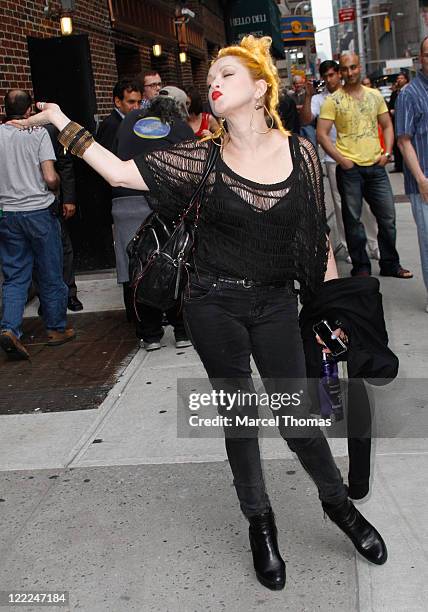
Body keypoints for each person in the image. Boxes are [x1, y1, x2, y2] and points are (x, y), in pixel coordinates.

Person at [10, 36, 388, 590]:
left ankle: (340, 508)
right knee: (239, 418)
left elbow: (318, 241)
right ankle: (261, 524)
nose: (214, 82)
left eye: (228, 74)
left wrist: (331, 312)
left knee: (296, 416)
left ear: (261, 88)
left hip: (278, 302)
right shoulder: (200, 158)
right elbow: (116, 173)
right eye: (211, 75)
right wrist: (61, 118)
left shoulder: (301, 152)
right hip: (213, 302)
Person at [317, 52, 412, 279]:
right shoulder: (333, 100)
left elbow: (387, 125)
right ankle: (361, 268)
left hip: (376, 167)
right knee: (354, 223)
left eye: (354, 68)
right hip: (350, 170)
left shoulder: (374, 96)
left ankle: (390, 263)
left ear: (360, 68)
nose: (350, 73)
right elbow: (321, 134)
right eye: (346, 69)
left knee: (387, 219)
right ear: (341, 72)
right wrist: (341, 160)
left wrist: (387, 153)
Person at [113, 89, 194, 349]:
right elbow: (192, 165)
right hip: (167, 204)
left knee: (137, 267)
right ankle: (181, 331)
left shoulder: (128, 121)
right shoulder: (178, 126)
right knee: (176, 262)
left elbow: (115, 155)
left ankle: (149, 334)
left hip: (125, 203)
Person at [0, 90, 75, 360]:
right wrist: (53, 185)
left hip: (7, 214)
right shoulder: (38, 133)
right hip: (39, 212)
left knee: (15, 275)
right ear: (30, 109)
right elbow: (50, 177)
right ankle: (55, 328)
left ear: (5, 108)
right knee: (50, 270)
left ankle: (9, 328)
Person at [308, 60, 379, 262]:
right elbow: (306, 119)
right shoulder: (319, 99)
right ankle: (349, 247)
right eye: (326, 76)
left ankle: (374, 245)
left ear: (339, 74)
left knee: (366, 203)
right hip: (334, 160)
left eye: (332, 74)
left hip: (362, 157)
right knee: (342, 206)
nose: (329, 79)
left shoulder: (356, 93)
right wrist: (306, 95)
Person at [396, 36, 428, 312]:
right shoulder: (410, 93)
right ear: (420, 59)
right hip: (424, 182)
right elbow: (404, 140)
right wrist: (421, 178)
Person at [44, 123, 83, 312]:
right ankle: (48, 298)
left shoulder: (50, 131)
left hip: (52, 199)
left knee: (63, 246)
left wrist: (69, 199)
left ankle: (69, 293)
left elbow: (65, 164)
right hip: (25, 202)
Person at [96, 79, 142, 153]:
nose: (136, 107)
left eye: (139, 102)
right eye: (131, 102)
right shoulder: (112, 125)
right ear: (118, 102)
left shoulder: (128, 122)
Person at [389, 72, 410, 173]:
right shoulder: (395, 93)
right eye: (398, 78)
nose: (399, 80)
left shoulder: (409, 92)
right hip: (396, 122)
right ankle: (399, 165)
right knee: (398, 144)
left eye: (401, 78)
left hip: (407, 122)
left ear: (406, 79)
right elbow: (390, 106)